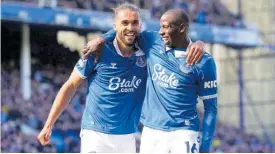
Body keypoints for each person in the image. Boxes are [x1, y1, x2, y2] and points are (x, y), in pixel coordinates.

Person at [37, 3, 204, 153]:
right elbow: (71, 85)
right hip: (96, 135)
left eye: (135, 23)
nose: (130, 27)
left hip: (127, 137)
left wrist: (199, 44)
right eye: (124, 23)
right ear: (114, 25)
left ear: (140, 25)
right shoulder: (98, 52)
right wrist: (49, 123)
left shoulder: (148, 49)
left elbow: (177, 39)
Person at [85, 7, 217, 154]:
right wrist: (103, 38)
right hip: (151, 132)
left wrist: (204, 149)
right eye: (160, 27)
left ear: (181, 28)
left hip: (184, 133)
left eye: (166, 27)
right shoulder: (153, 42)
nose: (160, 31)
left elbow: (211, 108)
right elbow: (127, 32)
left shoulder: (204, 62)